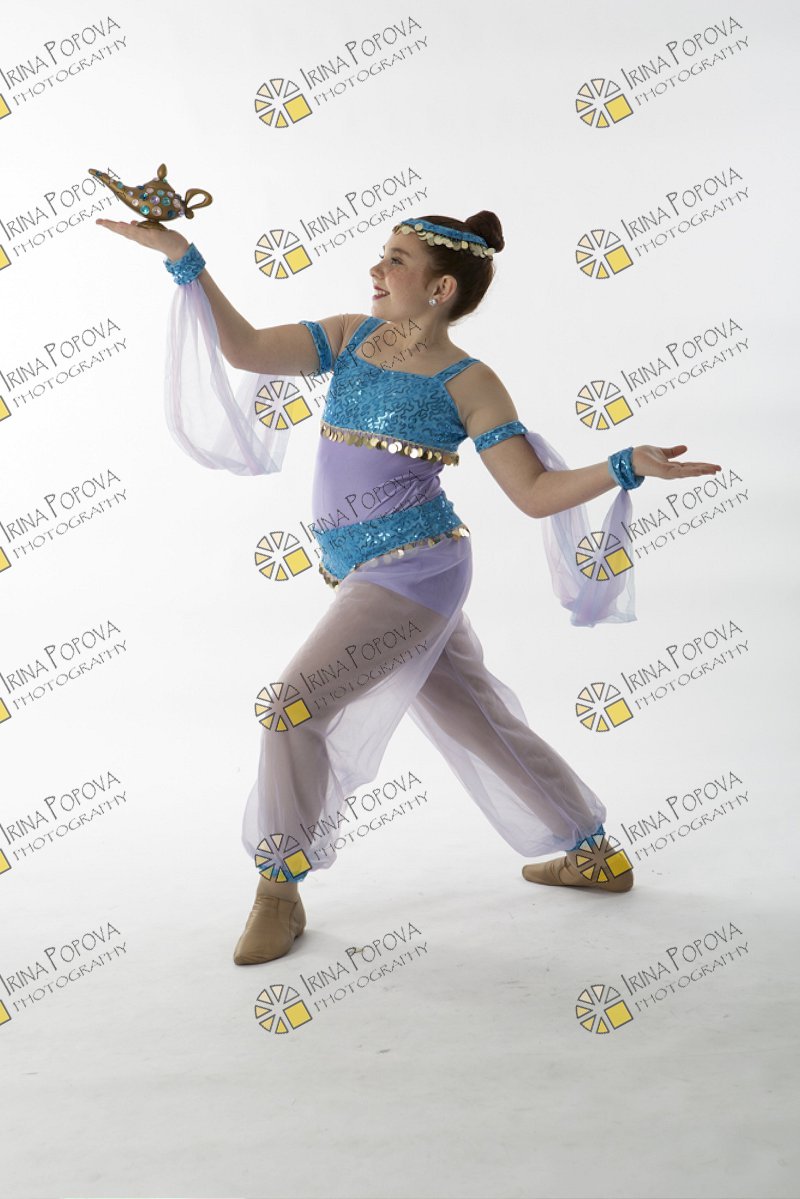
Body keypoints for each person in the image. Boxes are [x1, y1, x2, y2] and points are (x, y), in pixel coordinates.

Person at [96, 209, 721, 966]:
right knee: (477, 718)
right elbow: (246, 347)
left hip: (416, 572)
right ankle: (594, 854)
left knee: (292, 707)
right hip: (366, 573)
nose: (377, 270)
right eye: (382, 255)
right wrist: (184, 257)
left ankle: (278, 890)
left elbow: (533, 492)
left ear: (440, 287)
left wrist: (624, 465)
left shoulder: (470, 382)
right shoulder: (349, 336)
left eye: (395, 259)